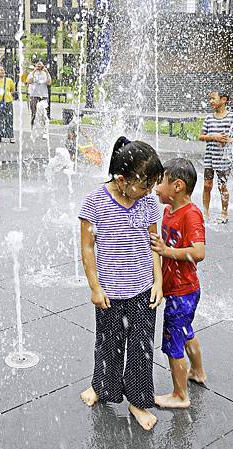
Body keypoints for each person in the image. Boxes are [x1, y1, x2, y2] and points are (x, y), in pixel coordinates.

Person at [78, 137, 164, 431]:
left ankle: (139, 402)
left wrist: (159, 281)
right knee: (108, 343)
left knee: (142, 348)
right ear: (122, 179)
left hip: (142, 288)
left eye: (152, 186)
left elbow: (155, 243)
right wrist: (94, 287)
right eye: (144, 186)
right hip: (110, 291)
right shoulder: (96, 201)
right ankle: (102, 386)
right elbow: (87, 247)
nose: (149, 192)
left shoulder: (149, 203)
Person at [149, 158, 207, 409]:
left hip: (184, 290)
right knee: (185, 332)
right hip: (179, 289)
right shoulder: (167, 211)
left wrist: (166, 251)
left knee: (173, 341)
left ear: (178, 186)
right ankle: (198, 372)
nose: (156, 187)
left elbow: (199, 252)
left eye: (161, 181)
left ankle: (180, 395)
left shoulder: (191, 214)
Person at [199, 91, 233, 224]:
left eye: (213, 98)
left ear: (223, 100)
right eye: (209, 98)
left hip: (223, 158)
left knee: (222, 186)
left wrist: (230, 140)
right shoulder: (209, 118)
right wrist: (214, 137)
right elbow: (201, 136)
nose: (210, 101)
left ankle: (224, 213)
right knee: (207, 185)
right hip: (210, 157)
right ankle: (205, 212)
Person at [26, 61, 52, 129]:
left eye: (41, 64)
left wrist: (46, 72)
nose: (39, 65)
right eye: (38, 64)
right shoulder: (32, 73)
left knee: (44, 113)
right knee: (34, 113)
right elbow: (28, 81)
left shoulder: (45, 73)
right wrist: (34, 71)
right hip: (34, 95)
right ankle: (33, 128)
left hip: (43, 95)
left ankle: (45, 130)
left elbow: (49, 82)